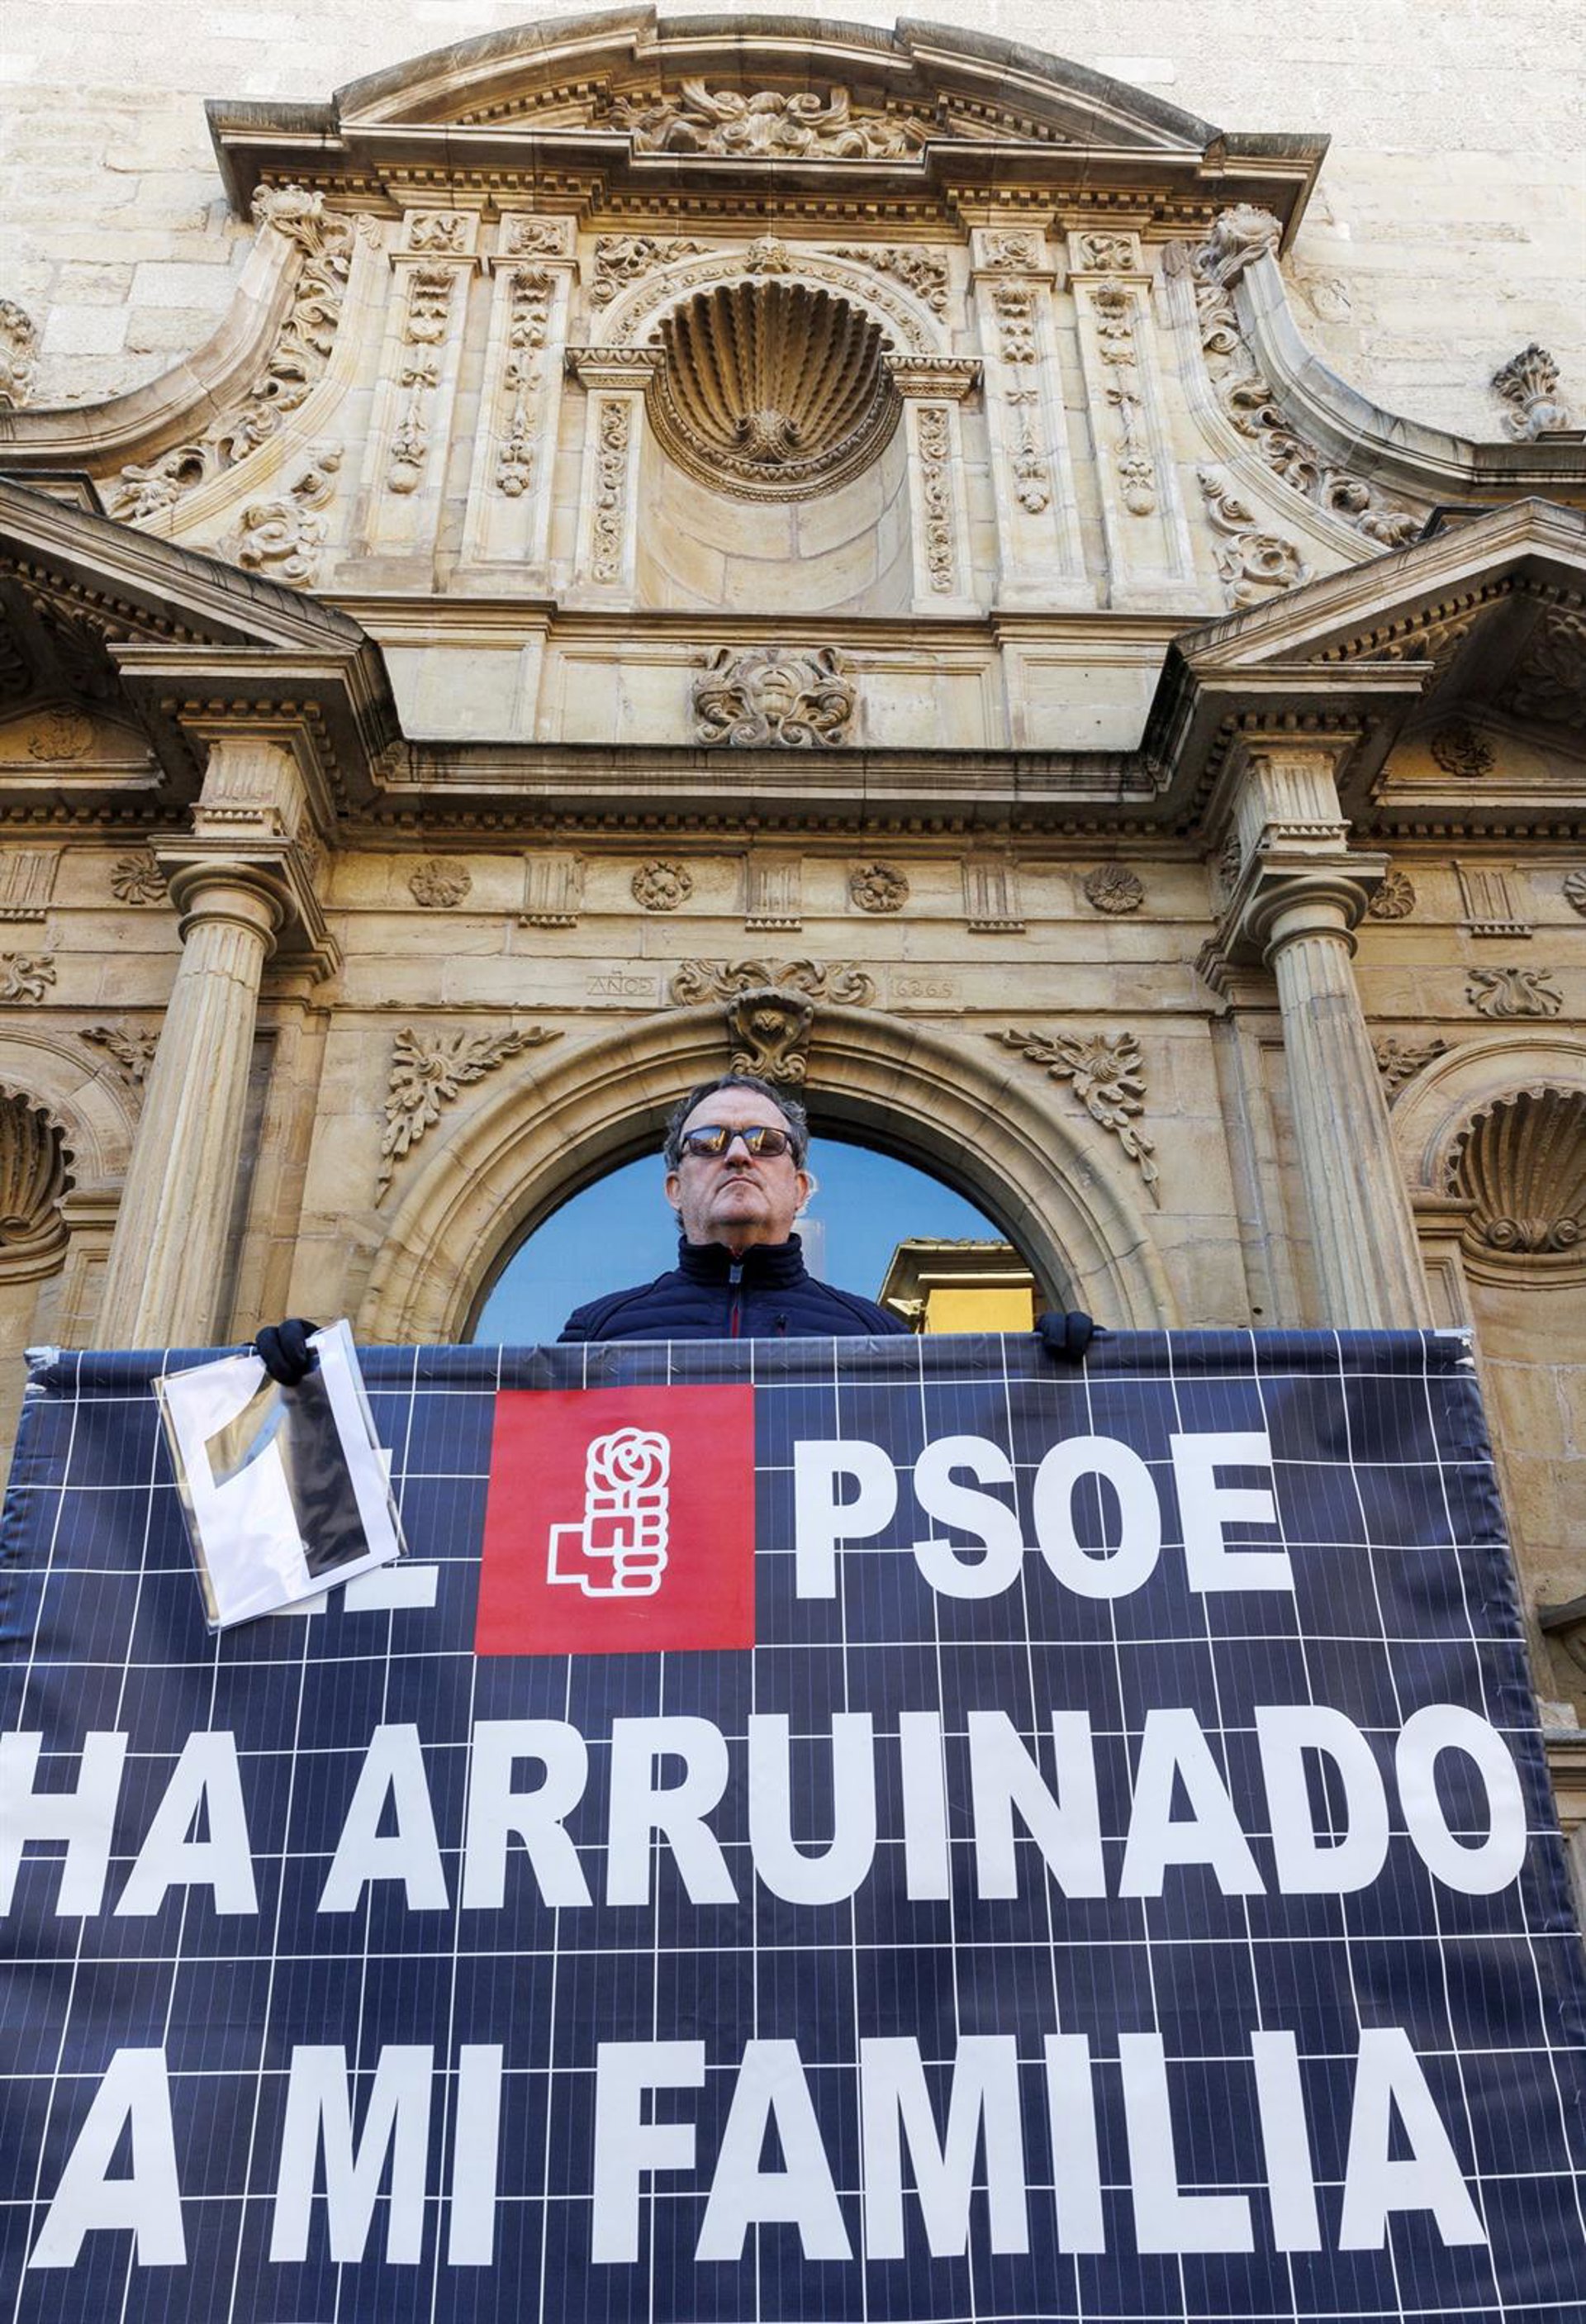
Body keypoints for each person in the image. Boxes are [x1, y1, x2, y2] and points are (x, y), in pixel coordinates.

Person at [254, 1071, 1095, 1376]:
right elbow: (484, 1465)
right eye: (710, 1143)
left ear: (800, 1186)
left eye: (764, 1142)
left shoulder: (874, 1333)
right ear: (673, 1186)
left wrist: (1061, 1387)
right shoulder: (597, 1329)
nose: (739, 1154)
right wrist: (315, 1389)